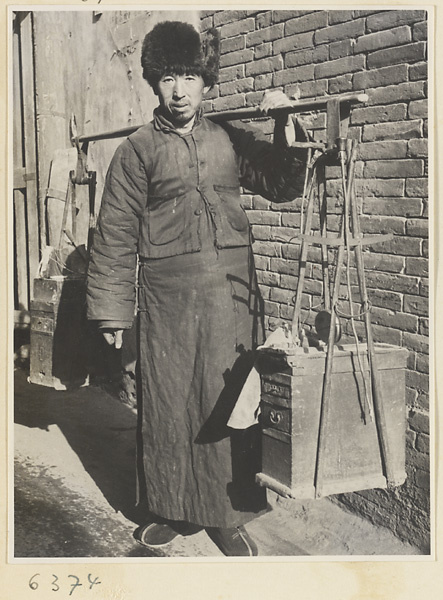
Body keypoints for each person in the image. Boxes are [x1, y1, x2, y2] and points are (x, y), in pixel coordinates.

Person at [87, 20, 307, 556]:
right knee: (170, 404)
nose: (179, 89)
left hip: (231, 299)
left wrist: (285, 123)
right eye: (167, 77)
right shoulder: (137, 151)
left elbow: (282, 184)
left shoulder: (228, 138)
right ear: (153, 83)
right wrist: (113, 312)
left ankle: (228, 515)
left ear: (206, 80)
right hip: (167, 302)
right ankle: (169, 508)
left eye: (188, 75)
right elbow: (114, 232)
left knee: (231, 404)